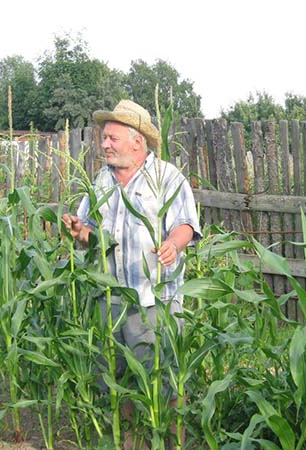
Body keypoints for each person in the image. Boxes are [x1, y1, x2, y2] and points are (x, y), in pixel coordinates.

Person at [62, 99, 201, 448]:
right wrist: (79, 231)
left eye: (111, 138)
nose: (104, 144)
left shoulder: (166, 177)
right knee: (118, 379)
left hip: (154, 301)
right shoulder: (101, 181)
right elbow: (92, 234)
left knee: (164, 384)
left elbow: (186, 223)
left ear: (137, 141)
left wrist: (173, 243)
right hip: (111, 299)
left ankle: (172, 444)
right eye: (103, 138)